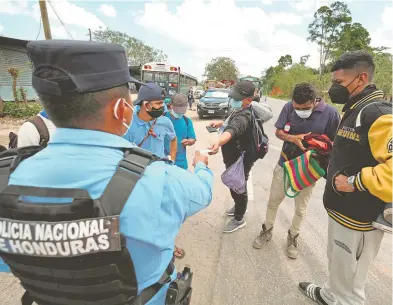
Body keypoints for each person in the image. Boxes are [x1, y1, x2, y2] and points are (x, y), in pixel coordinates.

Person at [0, 40, 214, 305]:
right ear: (121, 109)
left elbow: (8, 262)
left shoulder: (6, 179)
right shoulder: (161, 180)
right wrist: (202, 164)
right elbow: (203, 192)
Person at [299, 51, 392, 305]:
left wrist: (353, 183)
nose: (332, 89)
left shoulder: (377, 113)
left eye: (338, 83)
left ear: (360, 78)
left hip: (358, 220)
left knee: (351, 288)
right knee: (338, 267)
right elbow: (361, 152)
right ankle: (330, 295)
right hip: (343, 213)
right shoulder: (356, 108)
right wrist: (331, 153)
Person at [252, 83, 340, 259]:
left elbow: (334, 144)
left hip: (308, 170)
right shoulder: (288, 107)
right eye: (296, 107)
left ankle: (293, 237)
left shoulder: (331, 114)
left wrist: (317, 151)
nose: (300, 111)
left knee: (301, 208)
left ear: (314, 101)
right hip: (285, 163)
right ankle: (267, 230)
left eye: (305, 108)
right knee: (273, 202)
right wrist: (293, 138)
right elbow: (278, 132)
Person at [208, 80, 257, 233]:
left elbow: (234, 129)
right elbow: (231, 123)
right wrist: (220, 123)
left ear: (249, 99)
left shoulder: (246, 116)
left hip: (240, 160)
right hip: (234, 157)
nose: (233, 101)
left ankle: (239, 218)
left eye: (237, 99)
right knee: (237, 184)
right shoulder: (239, 110)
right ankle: (239, 205)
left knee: (238, 185)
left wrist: (219, 141)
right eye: (233, 97)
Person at [123, 82, 177, 160]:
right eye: (158, 103)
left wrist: (172, 159)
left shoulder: (165, 122)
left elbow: (173, 138)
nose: (163, 107)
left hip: (158, 169)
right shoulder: (128, 124)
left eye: (163, 103)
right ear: (146, 105)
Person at [165, 93, 196, 170]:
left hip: (181, 164)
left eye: (182, 112)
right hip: (163, 162)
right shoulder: (162, 119)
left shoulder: (187, 121)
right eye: (177, 111)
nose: (179, 114)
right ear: (171, 105)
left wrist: (189, 141)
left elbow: (192, 138)